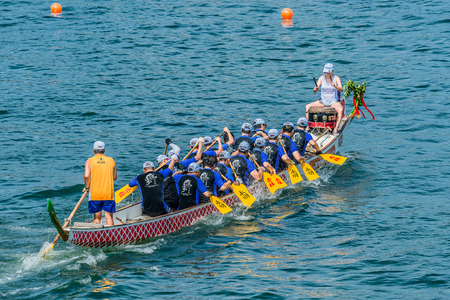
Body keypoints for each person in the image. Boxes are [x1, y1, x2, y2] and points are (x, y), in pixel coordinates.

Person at [83, 141, 117, 226]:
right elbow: (114, 178)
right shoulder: (111, 160)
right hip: (108, 193)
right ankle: (111, 236)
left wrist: (87, 187)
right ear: (104, 151)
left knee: (97, 218)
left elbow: (86, 176)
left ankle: (97, 236)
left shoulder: (89, 161)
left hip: (95, 194)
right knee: (108, 216)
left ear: (93, 150)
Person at [305, 63, 344, 135]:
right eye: (325, 72)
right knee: (307, 106)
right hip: (323, 101)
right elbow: (314, 90)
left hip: (333, 101)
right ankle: (307, 127)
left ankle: (335, 129)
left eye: (328, 72)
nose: (326, 73)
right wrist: (316, 88)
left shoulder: (336, 78)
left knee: (340, 110)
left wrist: (335, 85)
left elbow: (341, 89)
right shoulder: (321, 78)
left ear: (332, 71)